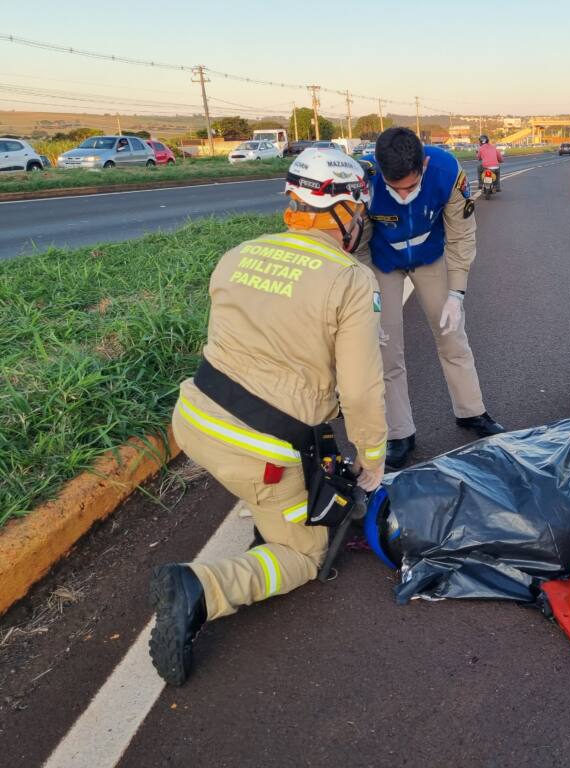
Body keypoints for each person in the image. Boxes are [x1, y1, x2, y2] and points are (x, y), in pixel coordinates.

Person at [147, 148, 388, 686]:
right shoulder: (350, 280)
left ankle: (265, 504)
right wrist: (372, 457)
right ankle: (202, 589)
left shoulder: (238, 254)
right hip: (260, 452)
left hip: (193, 421)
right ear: (344, 211)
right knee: (303, 555)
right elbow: (361, 389)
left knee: (268, 474)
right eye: (359, 212)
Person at [357, 127, 504, 469]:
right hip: (382, 262)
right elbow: (358, 246)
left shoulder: (447, 172)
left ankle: (471, 411)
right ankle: (400, 432)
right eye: (395, 188)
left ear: (423, 163)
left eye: (411, 185)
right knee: (385, 345)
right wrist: (367, 298)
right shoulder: (362, 181)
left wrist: (457, 292)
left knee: (452, 334)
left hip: (431, 255)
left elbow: (461, 234)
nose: (404, 194)